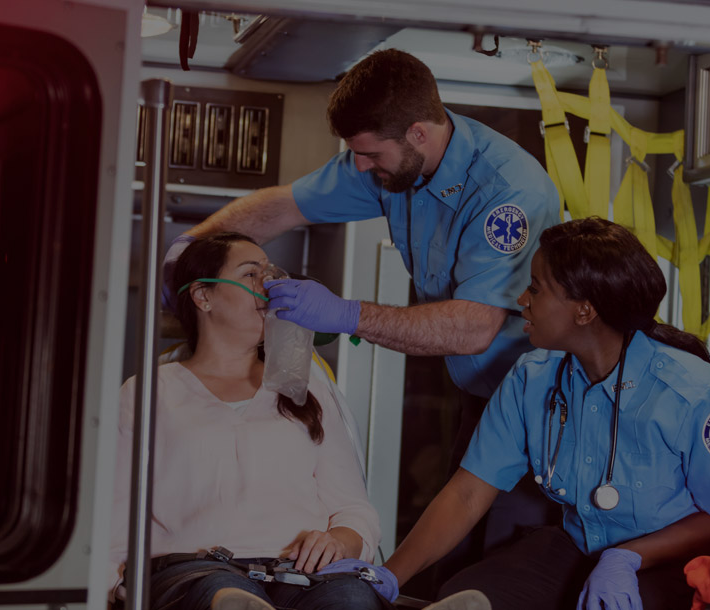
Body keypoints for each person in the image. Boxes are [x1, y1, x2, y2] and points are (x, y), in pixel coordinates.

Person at [165, 48, 563, 561]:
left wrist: (343, 314)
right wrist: (186, 250)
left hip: (542, 408)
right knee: (455, 559)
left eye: (371, 154)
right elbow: (282, 205)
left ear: (419, 133)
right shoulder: (382, 161)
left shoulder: (507, 194)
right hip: (478, 397)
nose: (360, 166)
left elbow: (473, 330)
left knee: (506, 563)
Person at [372, 218, 710, 610]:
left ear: (584, 311)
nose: (521, 299)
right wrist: (386, 576)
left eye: (536, 288)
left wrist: (628, 556)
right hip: (576, 546)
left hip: (676, 563)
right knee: (471, 596)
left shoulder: (697, 397)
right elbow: (469, 492)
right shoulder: (532, 378)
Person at [111, 233, 491, 610]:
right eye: (251, 274)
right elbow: (112, 518)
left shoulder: (304, 384)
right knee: (223, 598)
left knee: (351, 599)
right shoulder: (148, 392)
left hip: (302, 574)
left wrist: (341, 540)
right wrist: (109, 589)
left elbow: (353, 509)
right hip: (196, 572)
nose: (271, 286)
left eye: (272, 273)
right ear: (203, 296)